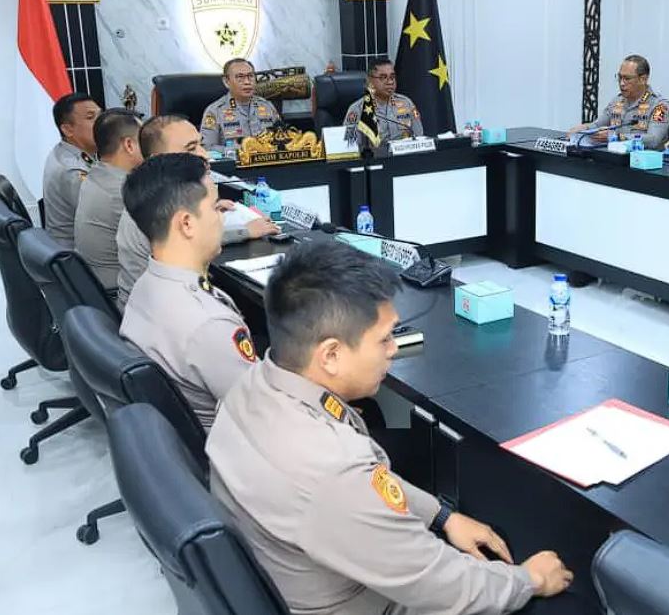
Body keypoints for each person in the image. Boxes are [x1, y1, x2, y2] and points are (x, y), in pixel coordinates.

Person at [207, 240, 573, 614]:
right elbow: (441, 585)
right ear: (331, 355)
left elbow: (370, 485)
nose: (393, 349)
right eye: (384, 339)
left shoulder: (250, 385)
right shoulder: (334, 469)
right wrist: (529, 580)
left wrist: (440, 515)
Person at [121, 154, 258, 429]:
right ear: (186, 223)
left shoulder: (146, 283)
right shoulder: (209, 324)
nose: (222, 218)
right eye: (216, 208)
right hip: (232, 444)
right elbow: (263, 413)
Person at [115, 115, 279, 309]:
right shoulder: (154, 208)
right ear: (158, 160)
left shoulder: (154, 195)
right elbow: (194, 239)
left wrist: (206, 208)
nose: (204, 154)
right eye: (191, 148)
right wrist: (245, 230)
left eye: (201, 144)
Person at [74, 110, 143, 294]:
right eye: (144, 139)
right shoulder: (122, 192)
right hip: (116, 293)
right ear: (129, 145)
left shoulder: (97, 174)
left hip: (93, 284)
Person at [569, 55, 669, 150]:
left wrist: (617, 137)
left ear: (643, 79)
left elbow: (653, 139)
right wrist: (584, 129)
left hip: (643, 160)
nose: (621, 83)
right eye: (620, 77)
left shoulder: (660, 106)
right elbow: (598, 125)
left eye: (627, 79)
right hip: (614, 157)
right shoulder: (617, 101)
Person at [43, 93, 100, 248]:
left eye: (100, 116)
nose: (102, 122)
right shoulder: (72, 171)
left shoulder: (65, 151)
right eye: (91, 117)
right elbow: (103, 218)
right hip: (77, 253)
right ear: (68, 130)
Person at [199, 58, 281, 150]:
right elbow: (206, 147)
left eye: (250, 76)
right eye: (240, 77)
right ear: (226, 81)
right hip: (235, 159)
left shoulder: (267, 106)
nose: (247, 82)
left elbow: (281, 137)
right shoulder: (215, 111)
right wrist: (240, 151)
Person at [342, 58, 424, 149]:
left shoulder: (406, 103)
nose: (390, 82)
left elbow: (419, 138)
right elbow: (350, 146)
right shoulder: (357, 109)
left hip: (406, 156)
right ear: (369, 80)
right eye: (383, 77)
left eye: (392, 77)